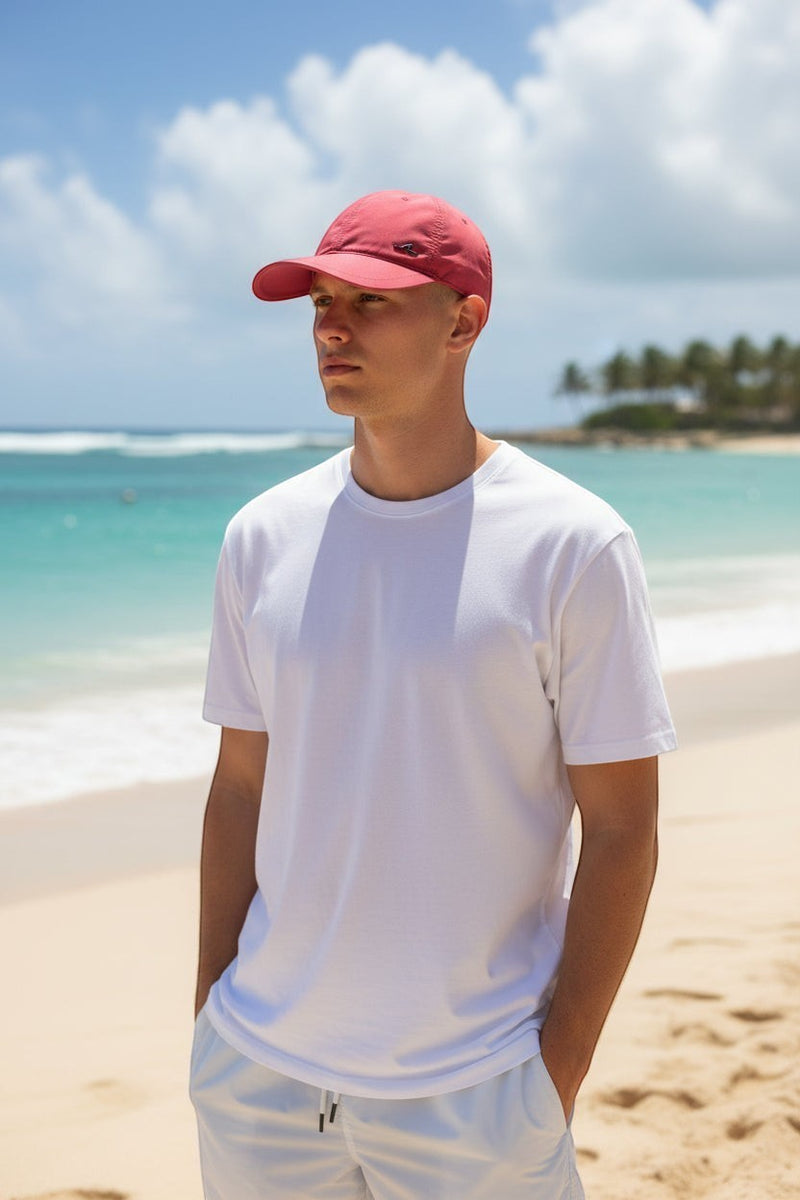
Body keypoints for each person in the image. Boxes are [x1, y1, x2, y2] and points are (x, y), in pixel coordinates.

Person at [190, 190, 677, 1200]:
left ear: (462, 319)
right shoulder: (260, 537)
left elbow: (621, 827)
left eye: (370, 302)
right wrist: (208, 1014)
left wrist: (558, 1070)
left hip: (476, 1090)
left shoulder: (572, 545)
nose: (330, 325)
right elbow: (239, 789)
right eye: (320, 300)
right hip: (261, 1076)